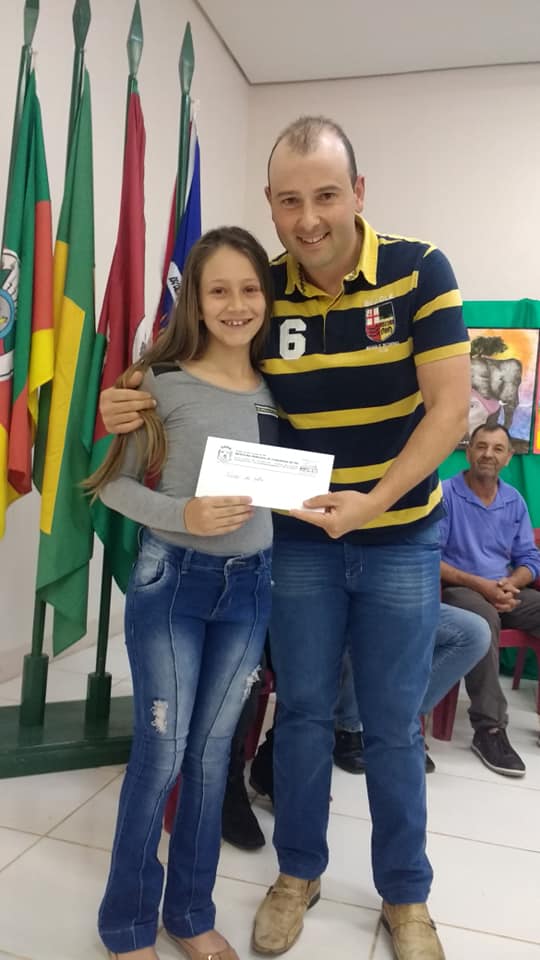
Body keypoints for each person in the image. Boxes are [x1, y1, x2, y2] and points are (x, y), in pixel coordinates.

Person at [100, 116, 471, 960]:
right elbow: (192, 361)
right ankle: (297, 873)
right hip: (297, 543)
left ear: (359, 193)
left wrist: (373, 503)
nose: (309, 219)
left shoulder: (421, 269)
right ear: (270, 203)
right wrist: (124, 396)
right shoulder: (261, 290)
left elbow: (451, 409)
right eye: (290, 201)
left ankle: (405, 896)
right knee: (300, 713)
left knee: (391, 725)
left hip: (399, 535)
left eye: (327, 196)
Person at [87, 226, 276, 960]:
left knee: (211, 757)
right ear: (194, 300)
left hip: (251, 590)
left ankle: (190, 915)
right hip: (173, 585)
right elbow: (112, 487)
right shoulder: (158, 385)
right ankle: (127, 924)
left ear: (267, 297)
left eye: (249, 288)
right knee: (161, 756)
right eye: (218, 290)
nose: (236, 304)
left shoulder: (280, 390)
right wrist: (183, 515)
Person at [250, 602, 491, 793]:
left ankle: (394, 721)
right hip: (335, 594)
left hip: (392, 590)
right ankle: (349, 728)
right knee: (358, 621)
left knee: (474, 633)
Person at [440, 422, 540, 778]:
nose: (488, 455)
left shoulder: (514, 500)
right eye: (481, 446)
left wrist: (511, 584)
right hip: (460, 589)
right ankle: (489, 729)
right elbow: (431, 558)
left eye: (498, 449)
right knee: (483, 619)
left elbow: (529, 558)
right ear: (468, 452)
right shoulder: (446, 493)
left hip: (503, 588)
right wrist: (483, 587)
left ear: (508, 457)